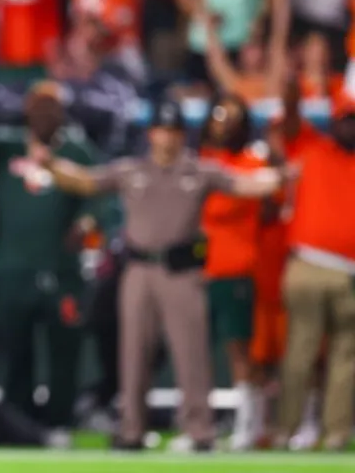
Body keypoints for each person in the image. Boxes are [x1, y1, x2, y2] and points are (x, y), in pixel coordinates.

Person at [40, 100, 286, 452]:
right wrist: (49, 163)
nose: (167, 138)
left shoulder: (199, 171)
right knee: (134, 353)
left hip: (181, 271)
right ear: (150, 133)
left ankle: (200, 431)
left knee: (192, 354)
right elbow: (85, 182)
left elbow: (246, 184)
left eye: (173, 131)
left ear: (181, 135)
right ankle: (131, 430)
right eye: (161, 130)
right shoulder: (131, 170)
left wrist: (278, 176)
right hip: (138, 269)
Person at [0, 82, 100, 430]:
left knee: (63, 350)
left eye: (52, 107)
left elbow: (96, 196)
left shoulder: (77, 150)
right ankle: (19, 423)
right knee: (15, 349)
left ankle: (60, 422)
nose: (44, 113)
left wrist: (86, 221)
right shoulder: (7, 145)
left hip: (61, 267)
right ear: (26, 110)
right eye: (38, 106)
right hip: (14, 268)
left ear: (63, 112)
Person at [274, 91, 355, 451]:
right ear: (334, 122)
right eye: (346, 119)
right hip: (308, 266)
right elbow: (288, 119)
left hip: (350, 272)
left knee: (347, 355)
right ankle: (284, 430)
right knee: (300, 353)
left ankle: (336, 432)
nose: (351, 126)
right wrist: (291, 82)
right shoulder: (311, 146)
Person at [197, 94, 265, 450]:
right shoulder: (202, 161)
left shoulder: (250, 164)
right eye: (220, 116)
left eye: (233, 118)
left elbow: (222, 205)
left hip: (235, 268)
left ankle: (247, 425)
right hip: (199, 271)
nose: (223, 124)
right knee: (196, 351)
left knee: (239, 351)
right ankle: (200, 427)